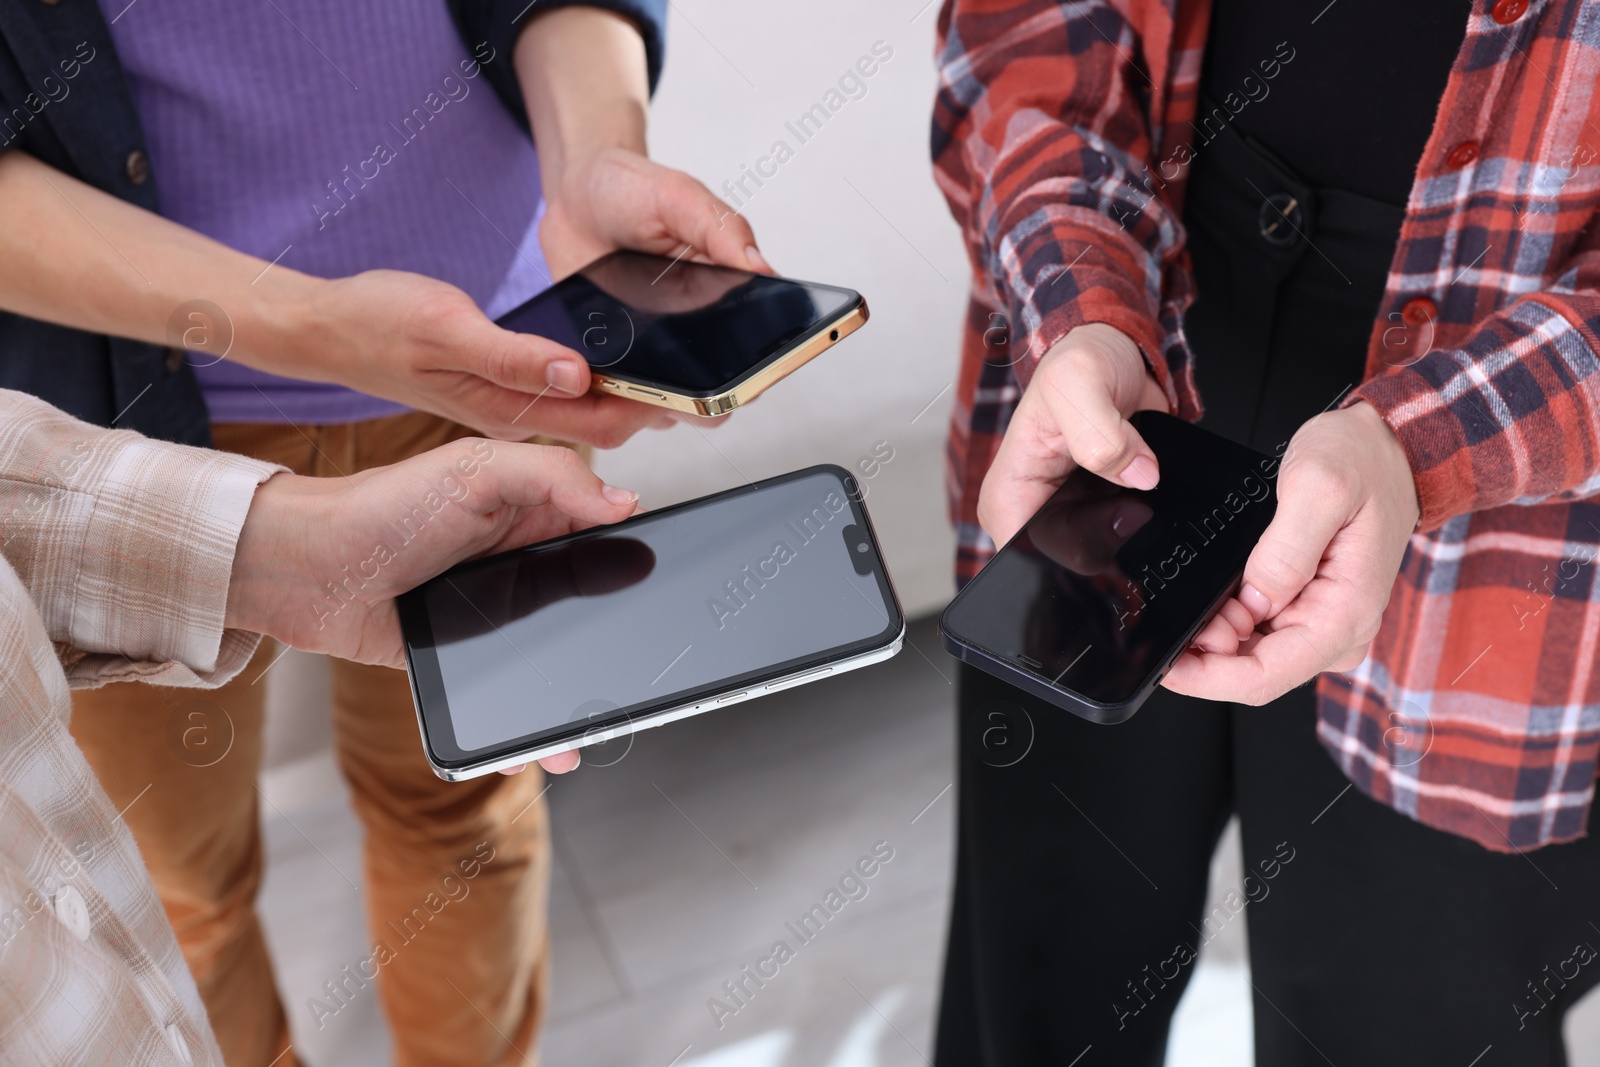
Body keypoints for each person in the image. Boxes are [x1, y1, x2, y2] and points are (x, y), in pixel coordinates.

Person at [0, 3, 766, 1064]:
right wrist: (310, 327)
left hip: (492, 364)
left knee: (471, 810)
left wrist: (596, 151)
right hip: (112, 426)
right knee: (178, 884)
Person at [932, 0, 1600, 1063]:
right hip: (1126, 382)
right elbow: (1024, 31)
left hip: (1520, 543)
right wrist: (1080, 299)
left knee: (1405, 1016)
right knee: (1041, 991)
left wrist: (1420, 445)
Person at [0, 386, 635, 1067]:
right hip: (122, 402)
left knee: (466, 806)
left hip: (473, 372)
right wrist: (325, 323)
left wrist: (284, 545)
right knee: (185, 889)